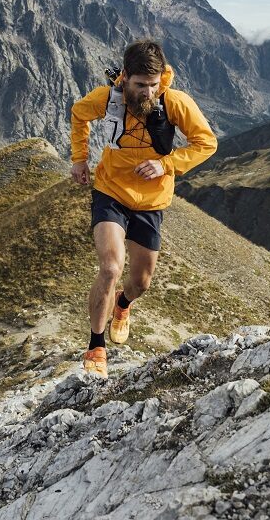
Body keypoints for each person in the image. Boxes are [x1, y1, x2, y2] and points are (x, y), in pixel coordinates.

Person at [69, 39, 217, 377]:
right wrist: (79, 159)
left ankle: (123, 304)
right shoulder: (106, 99)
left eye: (153, 84)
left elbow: (206, 142)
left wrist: (166, 164)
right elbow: (79, 114)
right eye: (140, 85)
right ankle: (96, 347)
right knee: (110, 268)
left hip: (152, 202)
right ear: (125, 78)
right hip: (111, 190)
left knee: (141, 283)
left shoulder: (174, 101)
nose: (148, 92)